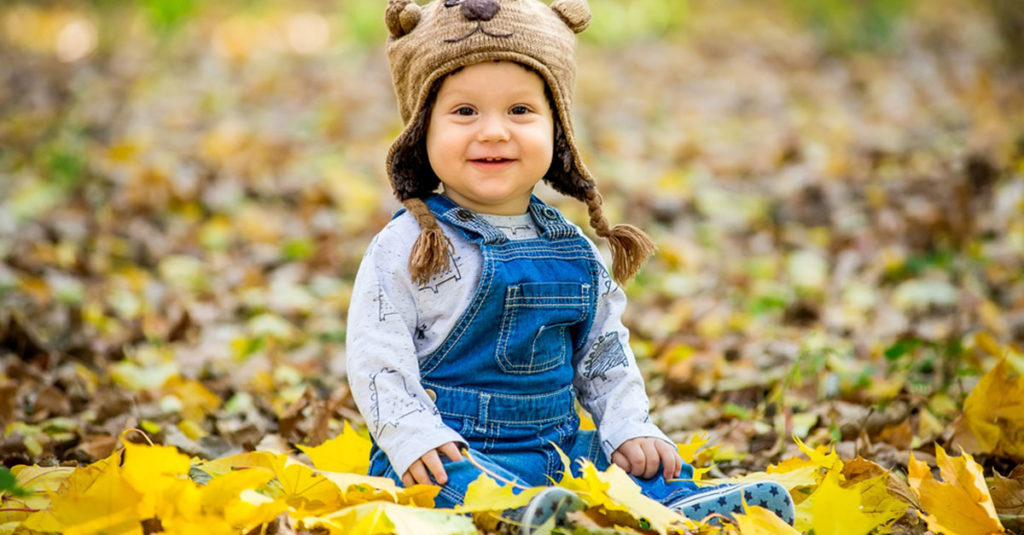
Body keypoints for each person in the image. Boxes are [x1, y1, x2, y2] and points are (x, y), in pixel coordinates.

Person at [346, 0, 795, 531]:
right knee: (444, 484)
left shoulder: (574, 248)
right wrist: (413, 435)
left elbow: (605, 351)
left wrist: (629, 428)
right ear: (421, 130)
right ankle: (514, 514)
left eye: (520, 111)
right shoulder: (408, 245)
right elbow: (377, 357)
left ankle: (679, 502)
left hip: (555, 447)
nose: (493, 131)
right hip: (449, 450)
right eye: (464, 111)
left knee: (625, 462)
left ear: (557, 129)